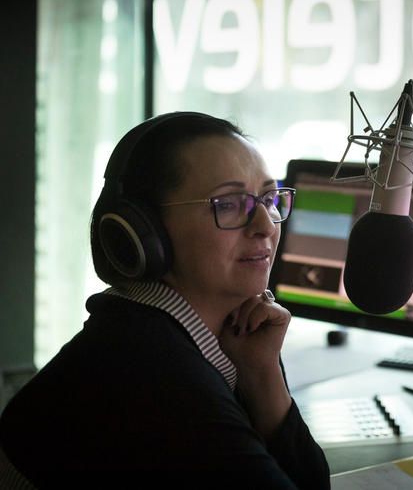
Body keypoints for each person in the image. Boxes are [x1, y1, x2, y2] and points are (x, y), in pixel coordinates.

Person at [0, 112, 329, 489]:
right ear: (144, 231)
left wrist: (263, 372)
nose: (267, 226)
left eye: (269, 199)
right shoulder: (147, 371)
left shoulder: (198, 333)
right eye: (228, 204)